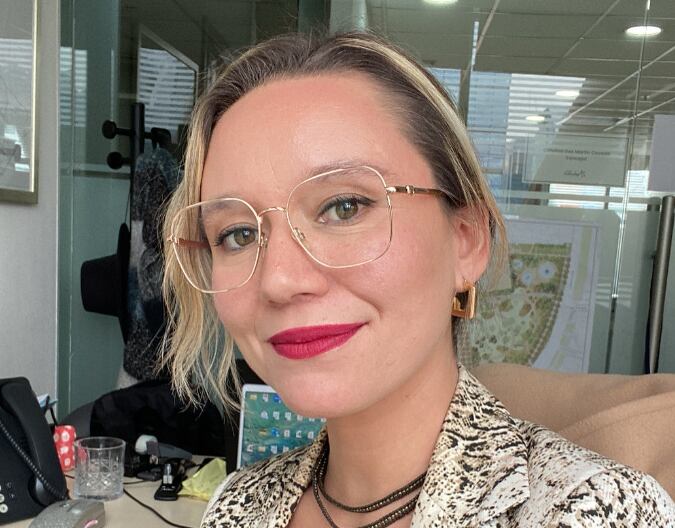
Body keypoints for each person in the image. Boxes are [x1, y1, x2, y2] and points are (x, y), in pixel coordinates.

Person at [161, 32, 675, 527]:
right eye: (237, 234)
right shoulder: (239, 503)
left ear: (466, 240)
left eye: (344, 207)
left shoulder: (591, 510)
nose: (278, 280)